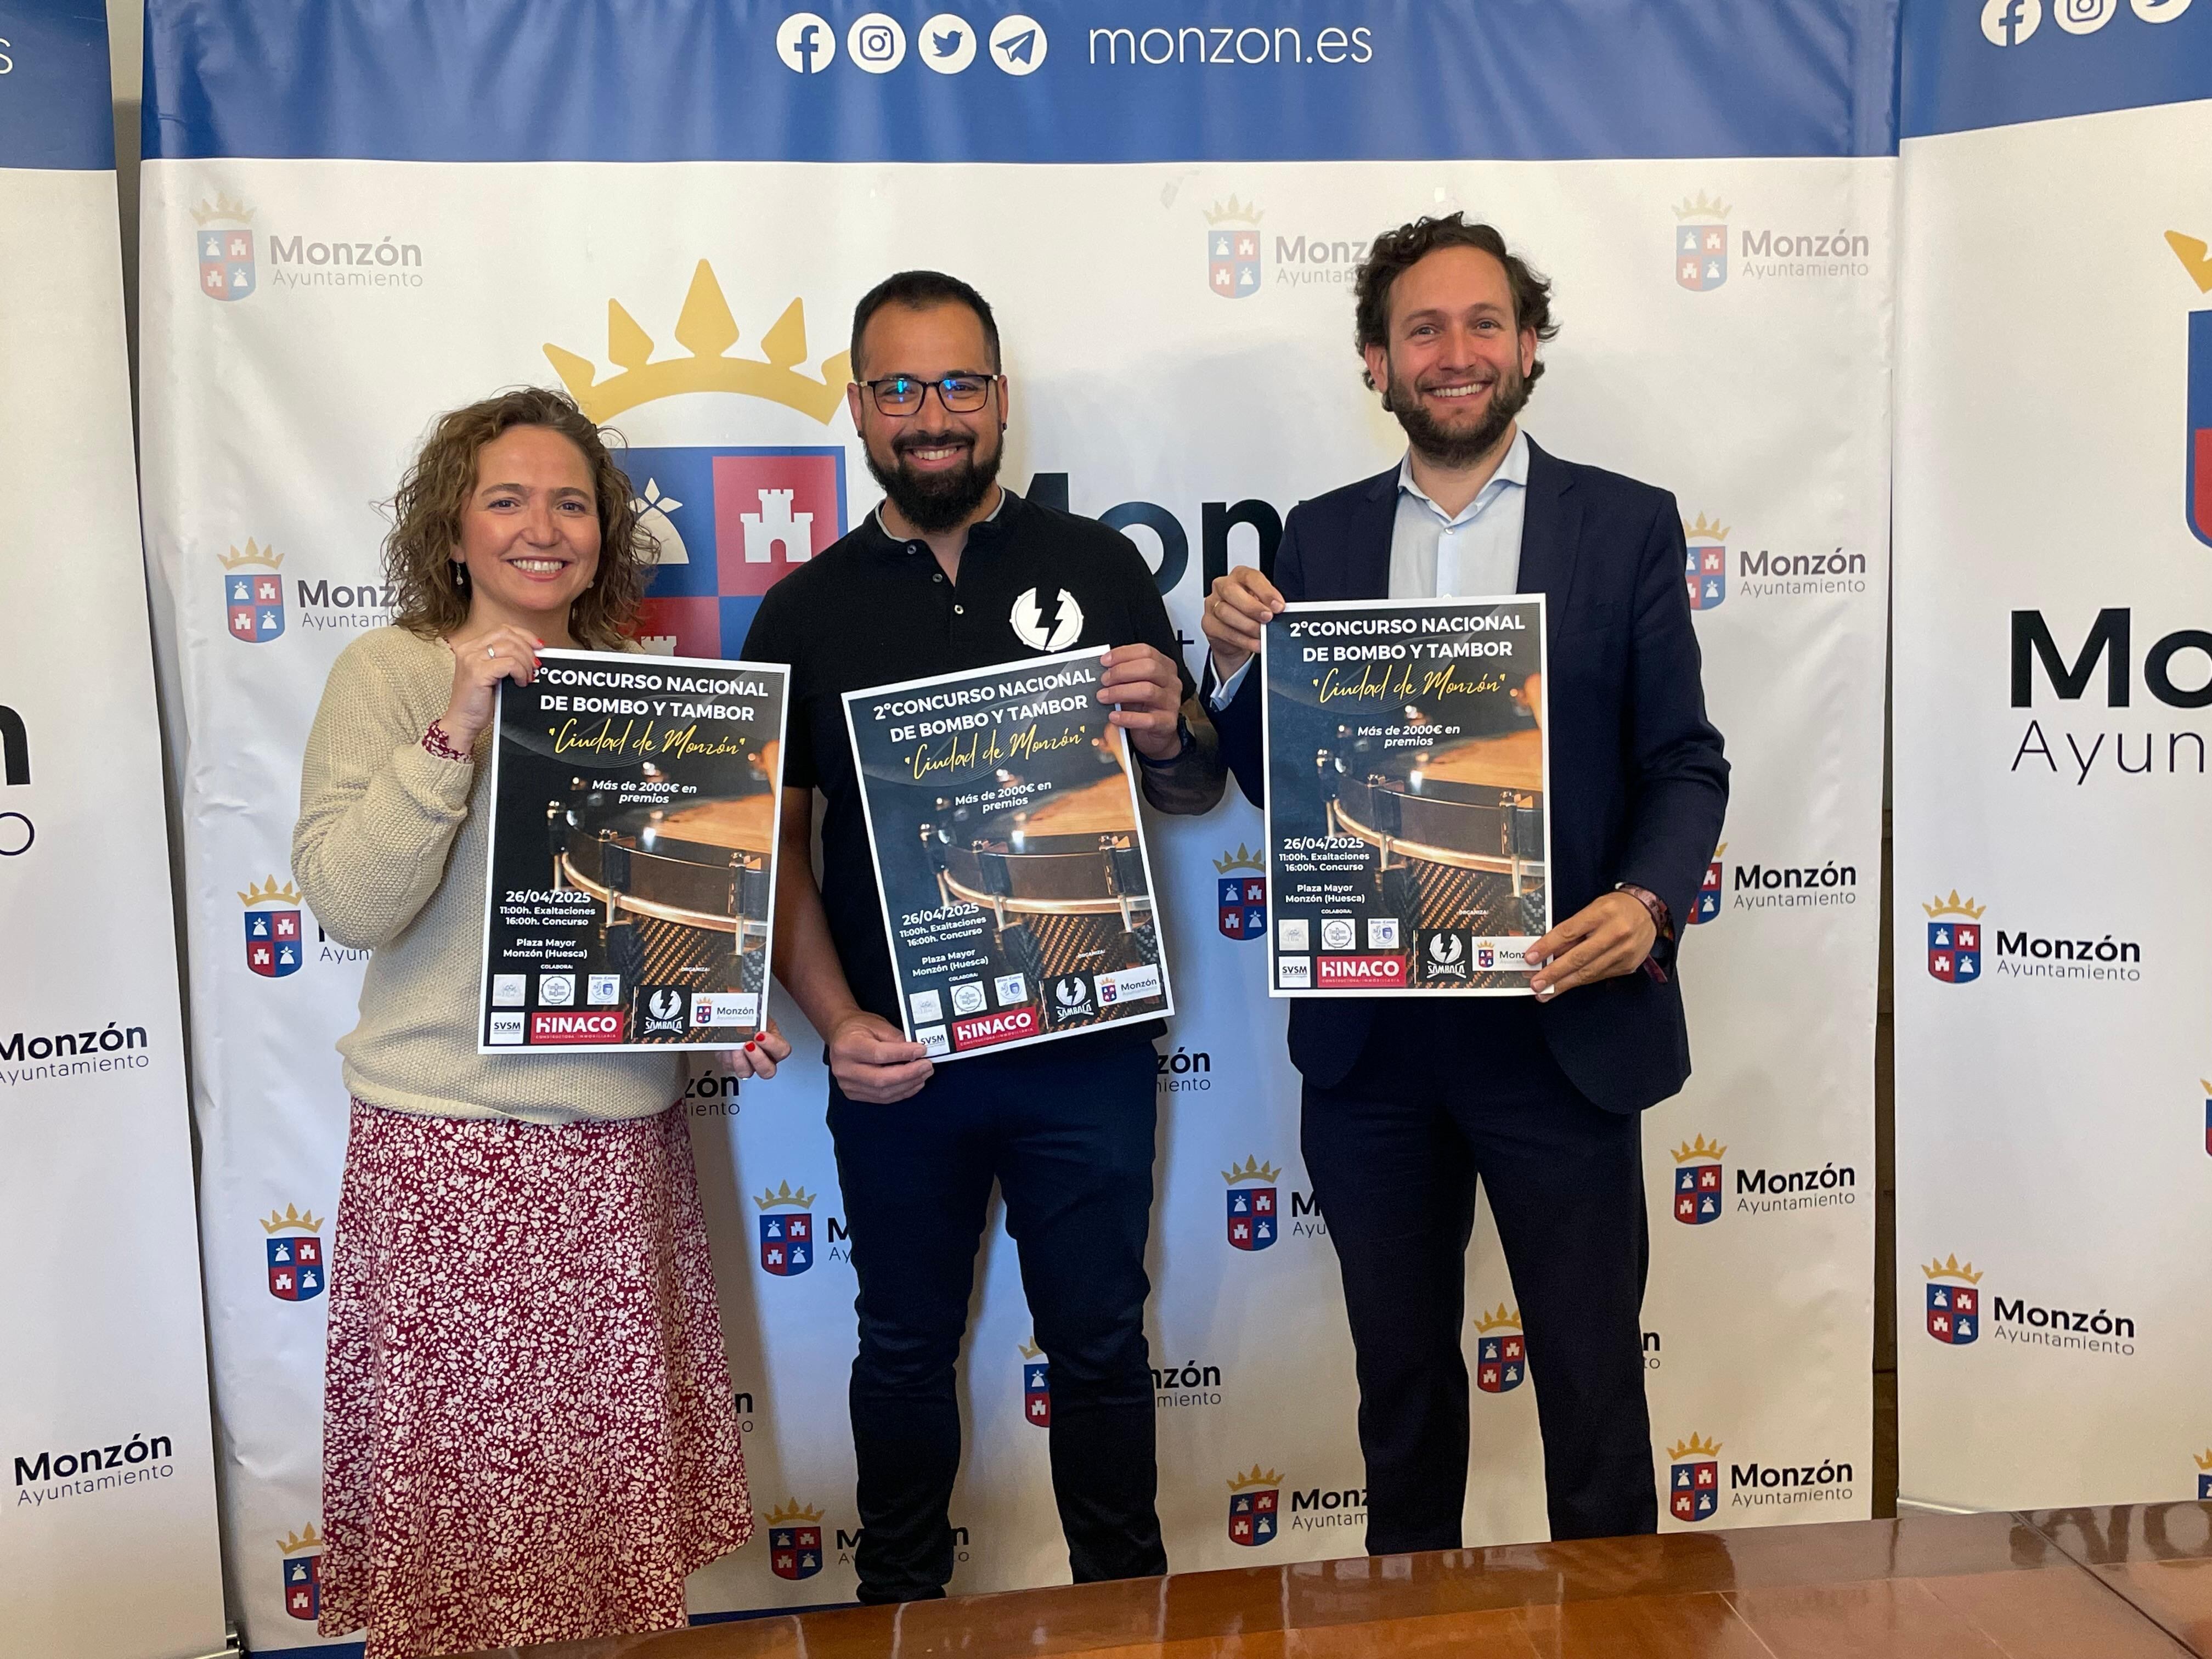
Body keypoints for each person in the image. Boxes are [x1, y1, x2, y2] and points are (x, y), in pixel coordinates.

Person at [1201, 215, 1728, 1549]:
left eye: (1483, 323)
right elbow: (1281, 785)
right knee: (1403, 1397)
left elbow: (1684, 761)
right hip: (1376, 1046)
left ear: (1529, 345)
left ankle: (1622, 1648)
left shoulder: (1626, 527)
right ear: (1376, 362)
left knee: (1596, 1395)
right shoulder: (1315, 541)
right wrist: (1231, 673)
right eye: (1421, 329)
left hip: (1563, 1029)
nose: (1455, 353)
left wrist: (1652, 901)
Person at [741, 270, 1224, 1602]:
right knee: (902, 1351)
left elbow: (1189, 792)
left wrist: (1173, 725)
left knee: (1101, 1347)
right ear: (858, 409)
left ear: (1001, 400)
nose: (931, 415)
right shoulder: (804, 610)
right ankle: (893, 1615)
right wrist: (838, 1025)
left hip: (1087, 1046)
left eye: (959, 384)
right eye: (899, 389)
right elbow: (777, 851)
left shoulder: (1100, 568)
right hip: (904, 1062)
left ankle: (1129, 1615)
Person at [293, 387, 787, 1659]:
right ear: (453, 533)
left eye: (571, 501)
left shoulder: (643, 690)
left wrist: (713, 1008)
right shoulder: (389, 671)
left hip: (614, 1156)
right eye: (505, 498)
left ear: (603, 535)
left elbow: (647, 919)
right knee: (460, 1546)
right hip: (450, 1161)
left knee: (603, 1554)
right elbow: (352, 901)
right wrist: (453, 726)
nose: (541, 526)